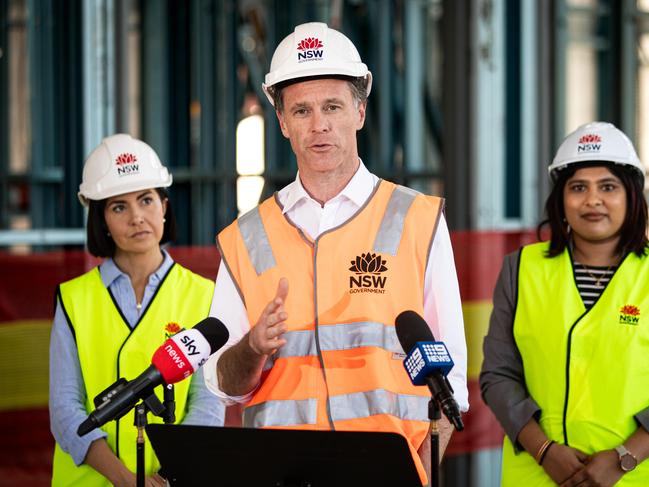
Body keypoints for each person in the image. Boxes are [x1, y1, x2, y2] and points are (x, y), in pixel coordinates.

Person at [203, 22, 468, 485]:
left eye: (332, 106)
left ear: (360, 112)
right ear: (282, 122)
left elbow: (453, 386)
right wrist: (252, 347)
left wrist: (420, 477)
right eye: (301, 110)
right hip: (278, 476)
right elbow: (223, 385)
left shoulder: (417, 219)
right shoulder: (247, 237)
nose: (319, 124)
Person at [49, 134, 224, 486]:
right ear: (102, 221)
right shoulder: (73, 298)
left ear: (164, 205)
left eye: (146, 200)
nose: (137, 218)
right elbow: (65, 410)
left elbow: (208, 405)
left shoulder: (205, 295)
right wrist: (126, 480)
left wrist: (171, 473)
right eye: (119, 207)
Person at [480, 121, 649, 486]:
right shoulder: (520, 268)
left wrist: (625, 457)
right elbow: (498, 375)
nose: (592, 200)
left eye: (608, 187)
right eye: (577, 188)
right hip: (538, 476)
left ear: (631, 195)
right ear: (561, 199)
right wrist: (543, 450)